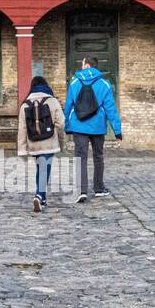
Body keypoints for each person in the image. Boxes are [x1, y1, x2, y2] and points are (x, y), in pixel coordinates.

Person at [63, 56, 122, 203]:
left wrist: (67, 125)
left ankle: (81, 191)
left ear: (87, 65)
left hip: (79, 125)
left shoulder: (74, 82)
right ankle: (99, 188)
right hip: (97, 126)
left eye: (82, 64)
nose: (81, 66)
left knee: (80, 158)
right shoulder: (104, 84)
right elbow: (111, 109)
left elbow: (68, 106)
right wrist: (117, 130)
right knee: (98, 156)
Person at [17, 76, 65, 212]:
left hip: (34, 142)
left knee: (41, 168)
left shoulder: (25, 104)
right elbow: (61, 123)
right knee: (45, 169)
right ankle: (39, 195)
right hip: (49, 141)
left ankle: (42, 199)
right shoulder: (52, 101)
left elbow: (22, 129)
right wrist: (60, 138)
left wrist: (22, 150)